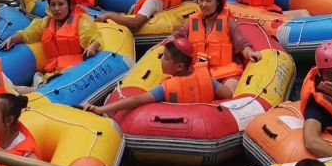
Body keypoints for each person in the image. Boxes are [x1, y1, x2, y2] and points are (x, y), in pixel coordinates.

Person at [85, 38, 232, 115]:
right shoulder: (206, 78)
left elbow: (136, 100)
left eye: (166, 58)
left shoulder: (166, 88)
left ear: (179, 66)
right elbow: (228, 94)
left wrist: (100, 110)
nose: (161, 61)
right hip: (205, 120)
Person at [167, 0, 261, 91]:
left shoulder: (228, 22)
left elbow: (241, 42)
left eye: (208, 1)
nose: (203, 4)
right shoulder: (192, 21)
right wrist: (167, 46)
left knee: (230, 89)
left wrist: (250, 53)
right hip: (198, 69)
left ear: (218, 3)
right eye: (201, 0)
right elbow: (178, 34)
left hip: (225, 72)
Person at [0, 0, 102, 81]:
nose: (56, 9)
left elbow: (93, 37)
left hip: (74, 70)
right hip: (52, 71)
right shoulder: (45, 22)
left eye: (61, 4)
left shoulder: (81, 21)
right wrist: (12, 39)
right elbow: (29, 33)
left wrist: (93, 45)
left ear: (70, 5)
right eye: (53, 5)